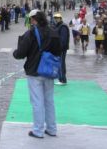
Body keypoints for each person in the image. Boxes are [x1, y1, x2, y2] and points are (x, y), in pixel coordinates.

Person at [13, 10, 62, 138]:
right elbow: (59, 50)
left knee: (37, 101)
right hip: (49, 70)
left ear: (34, 20)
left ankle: (38, 130)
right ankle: (52, 129)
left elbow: (21, 53)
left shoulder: (31, 33)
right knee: (49, 101)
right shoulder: (53, 31)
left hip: (35, 70)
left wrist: (15, 53)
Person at [53, 13, 69, 85]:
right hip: (58, 48)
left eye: (57, 18)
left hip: (61, 49)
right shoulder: (58, 26)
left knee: (61, 64)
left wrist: (61, 48)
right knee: (59, 63)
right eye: (55, 18)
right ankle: (60, 79)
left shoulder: (63, 26)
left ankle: (63, 79)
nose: (56, 19)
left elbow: (63, 39)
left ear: (60, 18)